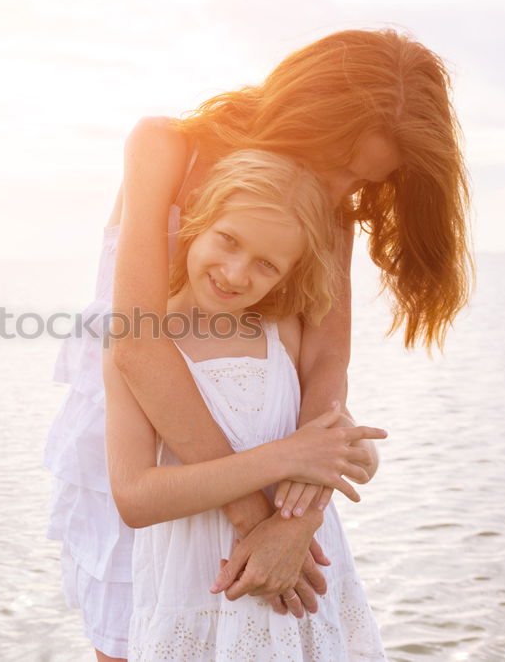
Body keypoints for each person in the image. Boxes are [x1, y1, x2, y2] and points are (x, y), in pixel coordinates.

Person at [45, 28, 472, 660]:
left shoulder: (324, 209)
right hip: (137, 422)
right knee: (137, 634)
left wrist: (297, 522)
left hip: (253, 436)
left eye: (362, 181)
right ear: (306, 115)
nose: (339, 191)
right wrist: (253, 519)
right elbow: (137, 344)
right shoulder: (166, 148)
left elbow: (327, 358)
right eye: (339, 162)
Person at [105, 148, 388, 659]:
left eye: (266, 264)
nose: (236, 274)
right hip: (198, 594)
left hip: (306, 597)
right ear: (197, 222)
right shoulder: (144, 345)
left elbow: (347, 454)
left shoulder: (283, 334)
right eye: (228, 240)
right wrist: (282, 459)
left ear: (288, 274)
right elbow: (135, 498)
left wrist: (356, 456)